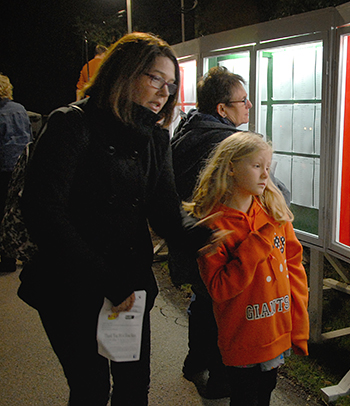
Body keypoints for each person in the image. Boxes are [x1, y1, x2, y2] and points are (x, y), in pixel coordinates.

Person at [17, 32, 222, 406]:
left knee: (133, 387)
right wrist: (104, 278)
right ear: (123, 72)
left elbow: (165, 210)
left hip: (127, 288)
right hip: (71, 285)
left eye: (171, 84)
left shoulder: (155, 138)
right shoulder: (71, 124)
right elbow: (43, 211)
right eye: (155, 78)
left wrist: (210, 233)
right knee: (91, 388)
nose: (164, 92)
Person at [170, 65, 290, 399]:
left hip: (193, 244)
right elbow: (275, 195)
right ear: (222, 109)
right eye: (242, 100)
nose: (249, 106)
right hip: (225, 246)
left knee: (203, 302)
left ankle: (196, 361)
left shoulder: (186, 132)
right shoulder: (229, 144)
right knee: (223, 313)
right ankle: (222, 380)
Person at [189, 131, 309, 406]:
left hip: (276, 332)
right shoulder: (212, 225)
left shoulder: (274, 213)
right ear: (230, 167)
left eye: (267, 167)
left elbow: (295, 269)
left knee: (266, 390)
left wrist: (299, 326)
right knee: (244, 398)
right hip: (241, 340)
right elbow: (219, 288)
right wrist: (255, 244)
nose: (265, 175)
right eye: (257, 166)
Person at [0, 73, 31, 272]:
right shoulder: (20, 109)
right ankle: (13, 254)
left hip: (2, 167)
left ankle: (6, 256)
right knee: (13, 210)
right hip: (21, 167)